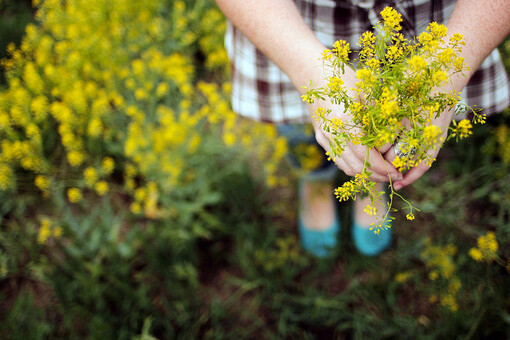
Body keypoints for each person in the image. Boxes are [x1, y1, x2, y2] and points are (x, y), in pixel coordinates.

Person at [215, 0, 510, 257]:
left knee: (388, 125)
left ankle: (373, 177)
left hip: (434, 32)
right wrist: (308, 70)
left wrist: (443, 75)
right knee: (298, 126)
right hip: (289, 27)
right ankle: (314, 177)